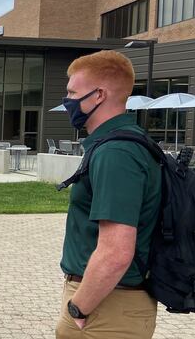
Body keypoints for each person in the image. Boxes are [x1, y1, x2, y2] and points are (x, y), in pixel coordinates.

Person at [56, 50, 161, 338]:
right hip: (110, 304)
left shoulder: (117, 152)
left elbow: (115, 252)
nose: (68, 102)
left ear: (99, 95)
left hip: (106, 310)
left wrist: (78, 308)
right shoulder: (122, 144)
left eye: (72, 93)